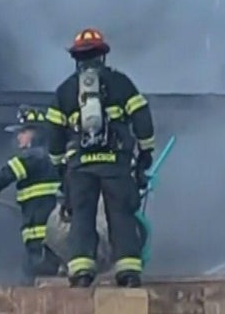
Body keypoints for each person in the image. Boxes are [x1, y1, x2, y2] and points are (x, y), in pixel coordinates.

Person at [45, 27, 155, 288]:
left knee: (82, 215)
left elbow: (54, 134)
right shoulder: (121, 83)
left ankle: (81, 271)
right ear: (102, 56)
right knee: (121, 215)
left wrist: (60, 165)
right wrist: (145, 152)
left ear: (76, 59)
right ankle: (128, 271)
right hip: (115, 164)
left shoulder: (65, 91)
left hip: (80, 167)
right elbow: (142, 117)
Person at [0, 105, 63, 280]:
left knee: (33, 275)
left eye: (23, 132)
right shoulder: (53, 159)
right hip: (53, 237)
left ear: (36, 134)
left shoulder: (33, 158)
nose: (18, 136)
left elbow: (7, 173)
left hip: (40, 236)